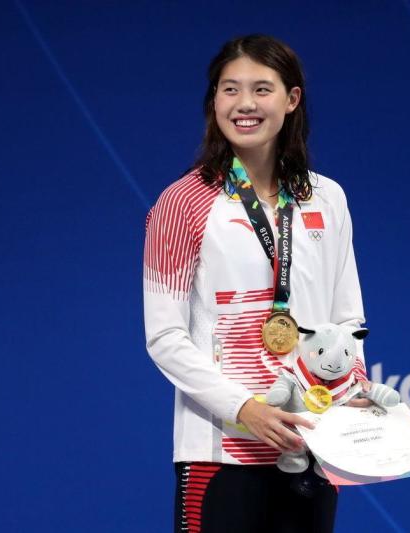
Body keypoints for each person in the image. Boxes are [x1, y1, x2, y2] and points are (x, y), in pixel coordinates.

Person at [143, 34, 372, 533]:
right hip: (221, 451)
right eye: (230, 89)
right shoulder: (181, 204)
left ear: (291, 100)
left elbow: (347, 318)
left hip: (310, 443)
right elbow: (165, 337)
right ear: (214, 101)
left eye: (261, 89)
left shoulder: (327, 198)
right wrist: (245, 408)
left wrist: (351, 389)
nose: (244, 104)